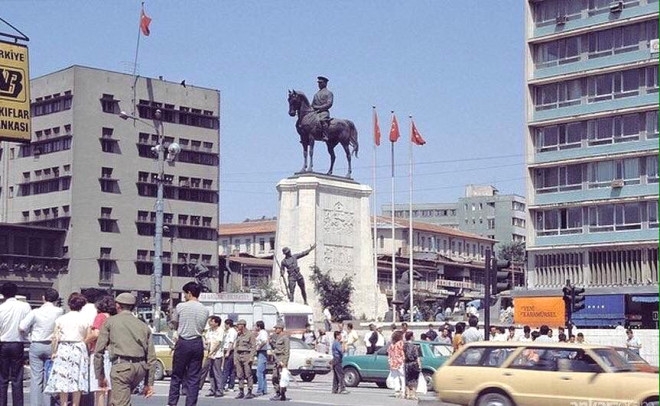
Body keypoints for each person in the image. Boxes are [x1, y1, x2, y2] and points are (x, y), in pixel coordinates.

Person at [93, 293, 156, 406]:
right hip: (140, 368)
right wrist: (149, 383)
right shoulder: (143, 326)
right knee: (121, 399)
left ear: (117, 305)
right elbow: (151, 357)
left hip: (121, 367)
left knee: (120, 403)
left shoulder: (110, 322)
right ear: (133, 307)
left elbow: (99, 351)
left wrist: (100, 375)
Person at [44, 293, 91, 406]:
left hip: (64, 347)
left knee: (62, 378)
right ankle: (75, 404)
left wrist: (54, 351)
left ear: (69, 304)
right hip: (79, 347)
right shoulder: (86, 320)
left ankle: (63, 404)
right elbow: (88, 336)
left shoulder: (61, 319)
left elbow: (55, 337)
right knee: (77, 378)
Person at [167, 282, 209, 406]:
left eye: (185, 293)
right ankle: (190, 404)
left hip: (183, 342)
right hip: (197, 343)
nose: (184, 296)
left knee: (177, 375)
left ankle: (172, 403)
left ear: (189, 293)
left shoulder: (180, 307)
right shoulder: (205, 310)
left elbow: (174, 323)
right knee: (194, 377)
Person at [19, 287, 63, 406]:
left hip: (37, 344)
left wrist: (29, 337)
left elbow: (22, 327)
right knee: (49, 377)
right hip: (52, 346)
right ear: (56, 299)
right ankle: (48, 403)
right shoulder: (60, 312)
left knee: (36, 378)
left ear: (43, 298)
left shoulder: (35, 312)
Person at [0, 282, 32, 406]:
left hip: (3, 344)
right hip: (18, 343)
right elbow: (28, 325)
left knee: (2, 377)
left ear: (2, 293)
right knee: (17, 377)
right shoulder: (25, 306)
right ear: (16, 292)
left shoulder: (1, 308)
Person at [86, 295, 117, 406]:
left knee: (100, 388)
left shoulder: (100, 317)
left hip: (100, 353)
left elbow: (96, 333)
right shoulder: (115, 318)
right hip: (113, 353)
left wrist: (85, 340)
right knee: (111, 388)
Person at [199, 316, 223, 397]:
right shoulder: (209, 330)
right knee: (210, 373)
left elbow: (218, 343)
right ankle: (213, 389)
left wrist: (212, 352)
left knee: (217, 372)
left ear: (216, 323)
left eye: (212, 321)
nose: (210, 323)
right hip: (209, 354)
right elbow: (207, 341)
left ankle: (219, 390)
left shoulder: (220, 330)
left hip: (217, 354)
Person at [232, 319, 256, 399]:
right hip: (239, 355)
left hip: (247, 355)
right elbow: (236, 347)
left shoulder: (250, 334)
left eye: (238, 325)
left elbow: (253, 347)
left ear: (243, 325)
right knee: (239, 374)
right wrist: (235, 359)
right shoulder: (238, 335)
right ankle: (241, 391)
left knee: (248, 374)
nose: (237, 327)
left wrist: (251, 357)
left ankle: (249, 391)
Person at [270, 322, 290, 401]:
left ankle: (282, 394)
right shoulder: (277, 337)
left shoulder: (285, 338)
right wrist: (271, 342)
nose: (275, 330)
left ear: (280, 329)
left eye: (276, 328)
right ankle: (277, 392)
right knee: (275, 376)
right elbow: (275, 347)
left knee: (283, 378)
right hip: (276, 358)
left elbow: (287, 351)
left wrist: (284, 362)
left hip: (282, 358)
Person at [218, 318, 237, 396]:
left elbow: (231, 342)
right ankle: (231, 386)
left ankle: (223, 385)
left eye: (225, 324)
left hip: (229, 350)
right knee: (232, 369)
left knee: (226, 369)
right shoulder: (229, 331)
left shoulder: (232, 332)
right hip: (229, 350)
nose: (224, 326)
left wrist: (228, 352)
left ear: (228, 324)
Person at [312, 76, 333, 142]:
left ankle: (325, 135)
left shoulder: (329, 93)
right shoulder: (316, 94)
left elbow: (329, 104)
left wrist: (319, 108)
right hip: (316, 113)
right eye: (318, 83)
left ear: (325, 83)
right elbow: (312, 104)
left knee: (322, 120)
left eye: (321, 83)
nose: (319, 84)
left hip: (324, 112)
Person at [387, 330, 405, 399]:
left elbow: (389, 354)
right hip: (400, 362)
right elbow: (402, 353)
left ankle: (397, 390)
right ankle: (403, 391)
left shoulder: (391, 345)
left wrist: (389, 361)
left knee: (395, 377)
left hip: (393, 362)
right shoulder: (400, 343)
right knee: (402, 377)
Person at [403, 331, 421, 400]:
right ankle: (413, 394)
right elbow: (417, 357)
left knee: (407, 379)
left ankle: (407, 394)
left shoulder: (404, 346)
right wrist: (419, 365)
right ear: (411, 337)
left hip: (406, 363)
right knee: (414, 379)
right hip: (413, 363)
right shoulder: (414, 346)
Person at [254, 320, 269, 396]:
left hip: (262, 352)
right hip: (260, 353)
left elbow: (264, 341)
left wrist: (258, 347)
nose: (255, 327)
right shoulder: (261, 333)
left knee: (259, 372)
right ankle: (264, 389)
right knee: (262, 372)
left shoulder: (263, 332)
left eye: (256, 326)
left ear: (259, 326)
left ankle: (260, 389)